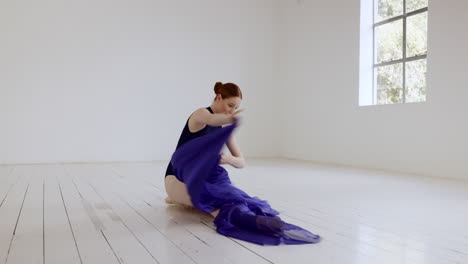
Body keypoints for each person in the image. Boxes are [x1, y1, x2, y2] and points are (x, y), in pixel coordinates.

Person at [164, 82, 320, 245]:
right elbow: (212, 119)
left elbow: (241, 162)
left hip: (208, 178)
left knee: (234, 198)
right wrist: (228, 118)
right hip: (177, 178)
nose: (231, 111)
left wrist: (228, 159)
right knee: (214, 202)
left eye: (235, 108)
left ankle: (258, 221)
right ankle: (251, 223)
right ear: (219, 97)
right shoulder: (201, 114)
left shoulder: (224, 127)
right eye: (230, 105)